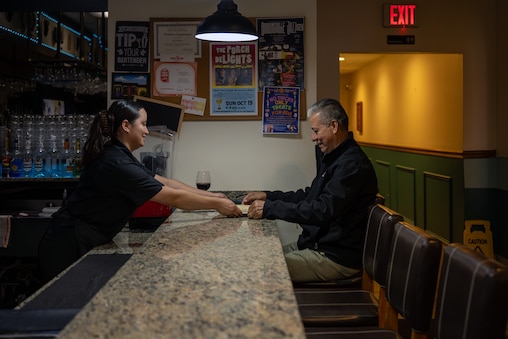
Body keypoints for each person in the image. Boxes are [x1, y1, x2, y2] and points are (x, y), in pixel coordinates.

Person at [39, 100, 242, 282]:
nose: (146, 130)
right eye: (143, 124)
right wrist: (217, 204)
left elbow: (168, 182)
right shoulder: (117, 163)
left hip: (85, 236)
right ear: (126, 126)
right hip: (67, 243)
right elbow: (173, 197)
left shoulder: (121, 156)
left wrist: (213, 196)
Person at [242, 98, 378, 283]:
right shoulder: (332, 156)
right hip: (315, 246)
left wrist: (269, 208)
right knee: (259, 257)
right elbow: (310, 195)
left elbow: (322, 211)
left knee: (261, 268)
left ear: (334, 126)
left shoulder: (352, 164)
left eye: (315, 131)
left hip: (335, 258)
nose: (313, 138)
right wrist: (268, 196)